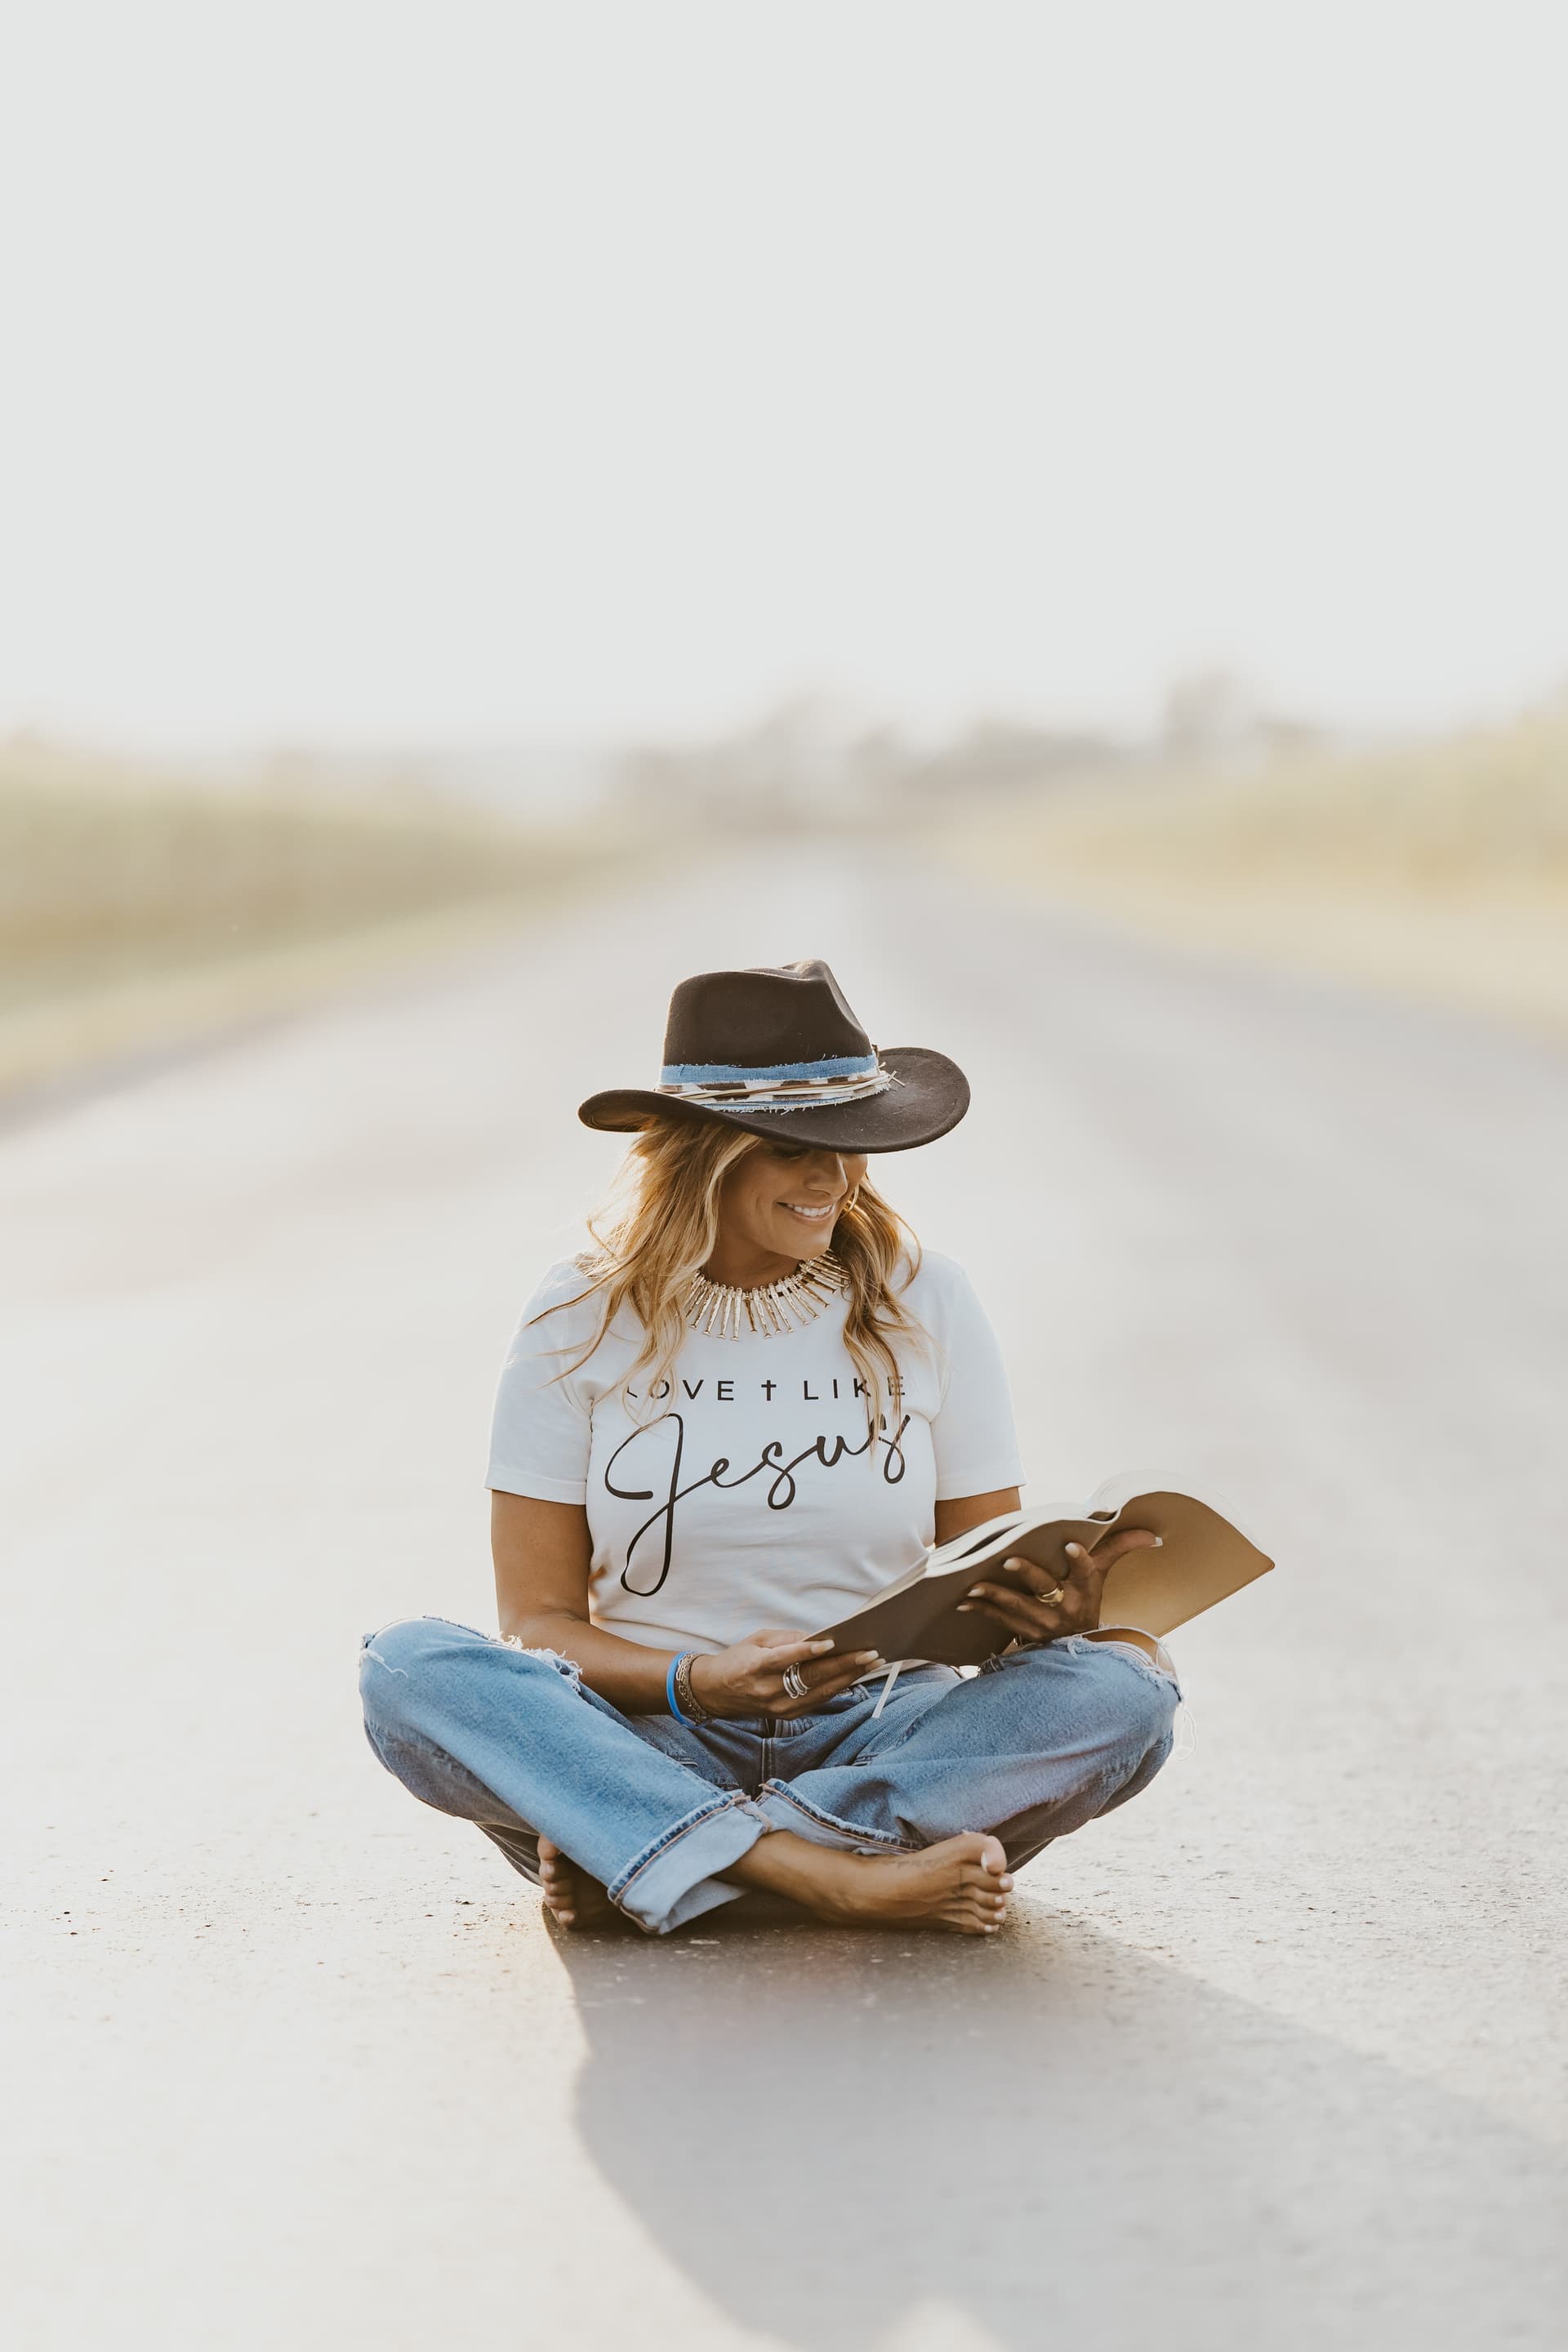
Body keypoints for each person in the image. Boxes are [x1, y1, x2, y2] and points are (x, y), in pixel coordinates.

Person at [359, 959, 1178, 1937]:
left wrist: (1053, 1616)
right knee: (407, 1669)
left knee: (1125, 1690)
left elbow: (978, 1576)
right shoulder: (579, 1312)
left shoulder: (929, 1297)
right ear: (699, 1154)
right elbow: (537, 1620)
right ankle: (828, 1871)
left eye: (852, 1143)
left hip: (885, 1736)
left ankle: (671, 1858)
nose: (831, 1177)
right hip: (649, 1738)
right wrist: (692, 1681)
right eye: (794, 1144)